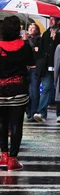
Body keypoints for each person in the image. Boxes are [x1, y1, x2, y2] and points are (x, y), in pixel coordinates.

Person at [0, 16, 34, 170]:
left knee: (2, 123)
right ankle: (13, 159)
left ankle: (3, 155)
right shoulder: (24, 45)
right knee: (16, 124)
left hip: (0, 91)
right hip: (19, 90)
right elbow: (32, 63)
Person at [34, 16, 60, 123]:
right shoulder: (46, 34)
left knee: (58, 90)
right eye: (50, 19)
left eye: (53, 19)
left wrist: (55, 40)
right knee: (46, 88)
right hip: (47, 66)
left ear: (58, 21)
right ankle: (41, 112)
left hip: (58, 67)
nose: (51, 21)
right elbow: (42, 50)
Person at [23, 23, 42, 121]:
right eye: (29, 27)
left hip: (34, 68)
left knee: (34, 92)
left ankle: (34, 112)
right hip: (26, 69)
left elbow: (37, 53)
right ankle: (28, 111)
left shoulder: (39, 40)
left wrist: (27, 42)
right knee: (26, 92)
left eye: (33, 27)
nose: (30, 29)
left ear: (37, 30)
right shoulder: (24, 40)